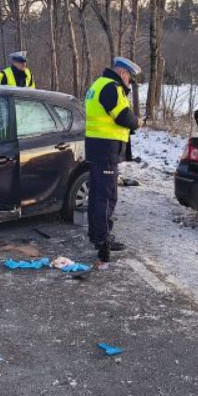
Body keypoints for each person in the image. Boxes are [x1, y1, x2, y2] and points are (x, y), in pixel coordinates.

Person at [84, 57, 142, 262]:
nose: (130, 83)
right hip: (106, 150)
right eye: (131, 79)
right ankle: (102, 239)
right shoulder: (111, 87)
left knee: (98, 195)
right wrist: (138, 122)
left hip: (97, 148)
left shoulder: (98, 84)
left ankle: (97, 234)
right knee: (107, 196)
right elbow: (123, 116)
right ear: (123, 73)